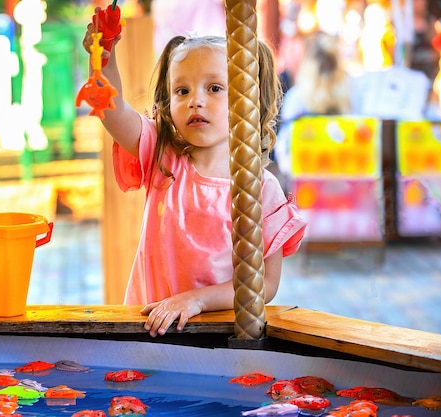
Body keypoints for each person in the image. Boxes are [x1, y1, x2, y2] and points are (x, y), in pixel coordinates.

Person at [82, 19, 307, 337]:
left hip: (217, 333)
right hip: (148, 327)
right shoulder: (162, 156)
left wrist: (197, 300)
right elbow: (113, 110)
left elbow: (265, 284)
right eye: (181, 90)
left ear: (247, 99)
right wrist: (103, 59)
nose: (195, 100)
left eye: (214, 88)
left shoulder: (260, 188)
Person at [275, 31, 355, 178]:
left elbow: (284, 153)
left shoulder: (297, 96)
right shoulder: (349, 93)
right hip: (343, 178)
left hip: (305, 183)